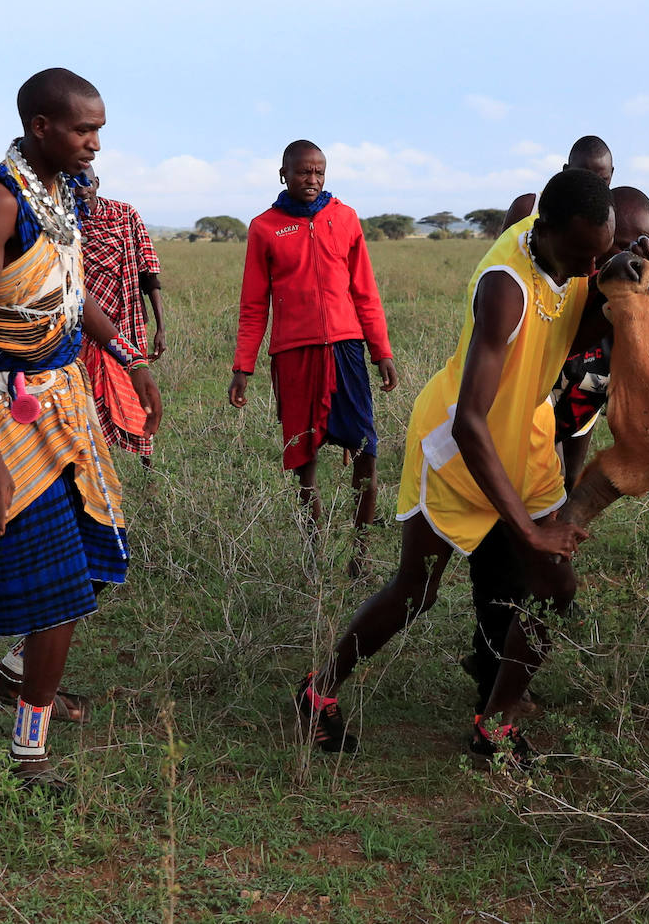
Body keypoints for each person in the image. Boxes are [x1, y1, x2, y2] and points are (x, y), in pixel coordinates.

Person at [293, 168, 615, 757]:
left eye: (599, 258)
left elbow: (575, 322)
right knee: (417, 590)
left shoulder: (570, 256)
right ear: (544, 231)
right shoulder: (505, 290)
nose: (587, 272)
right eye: (581, 257)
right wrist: (527, 531)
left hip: (529, 438)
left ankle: (494, 721)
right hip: (458, 446)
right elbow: (471, 422)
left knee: (555, 587)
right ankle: (318, 692)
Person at [0, 68, 162, 789]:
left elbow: (72, 302)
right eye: (83, 130)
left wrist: (128, 358)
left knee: (101, 556)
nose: (95, 143)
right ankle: (29, 751)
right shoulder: (2, 204)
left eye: (98, 129)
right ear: (41, 127)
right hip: (5, 410)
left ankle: (15, 674)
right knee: (62, 583)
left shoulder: (65, 192)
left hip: (65, 401)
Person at [462, 186, 649, 716]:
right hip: (501, 432)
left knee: (543, 570)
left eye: (621, 249)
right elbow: (476, 413)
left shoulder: (590, 272)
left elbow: (603, 363)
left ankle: (501, 691)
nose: (604, 262)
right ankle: (492, 682)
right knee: (495, 563)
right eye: (605, 249)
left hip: (545, 428)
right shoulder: (533, 274)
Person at [228, 140, 398, 576]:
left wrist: (381, 351)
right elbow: (253, 305)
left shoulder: (344, 218)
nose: (313, 180)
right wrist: (242, 367)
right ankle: (314, 554)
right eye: (304, 172)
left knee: (366, 450)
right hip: (294, 354)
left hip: (346, 349)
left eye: (320, 172)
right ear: (283, 174)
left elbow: (365, 291)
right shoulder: (264, 227)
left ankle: (360, 555)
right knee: (304, 460)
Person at [75, 165, 165, 467]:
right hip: (85, 327)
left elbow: (148, 272)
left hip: (126, 323)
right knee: (91, 395)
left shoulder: (125, 216)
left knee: (137, 392)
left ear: (96, 183)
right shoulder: (63, 224)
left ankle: (147, 464)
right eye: (71, 184)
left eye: (85, 182)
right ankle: (97, 462)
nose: (80, 189)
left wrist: (160, 327)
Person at [504, 135, 614, 228]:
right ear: (566, 171)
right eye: (582, 178)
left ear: (611, 174)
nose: (592, 189)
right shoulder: (528, 209)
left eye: (602, 181)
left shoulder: (613, 219)